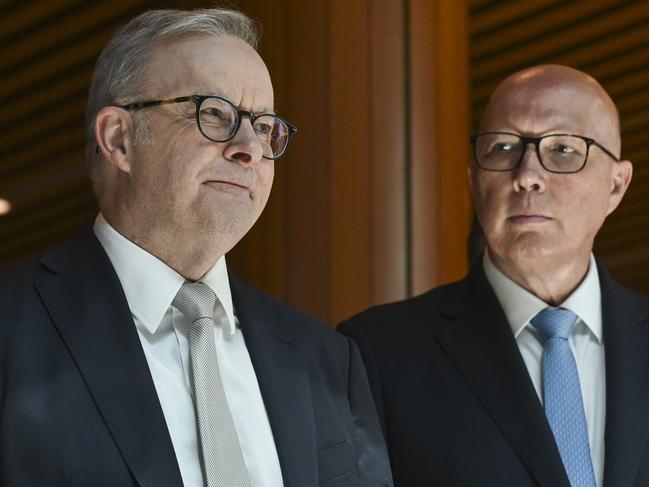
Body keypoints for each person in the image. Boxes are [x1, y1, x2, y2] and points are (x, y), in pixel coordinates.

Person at [0, 8, 392, 487]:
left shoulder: (328, 359)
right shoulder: (11, 327)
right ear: (119, 139)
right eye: (214, 114)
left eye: (265, 126)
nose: (249, 146)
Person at [339, 65, 646, 487]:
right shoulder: (376, 352)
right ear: (474, 180)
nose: (527, 177)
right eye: (503, 148)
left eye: (563, 149)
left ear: (617, 185)